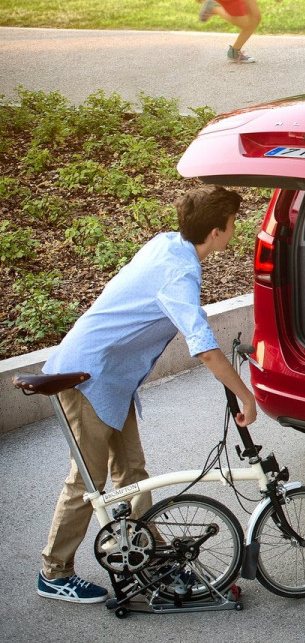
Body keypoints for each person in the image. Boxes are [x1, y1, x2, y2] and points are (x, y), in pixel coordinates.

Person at [36, 185, 257, 604]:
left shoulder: (168, 245)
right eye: (232, 225)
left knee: (133, 474)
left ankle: (147, 558)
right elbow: (205, 348)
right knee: (88, 482)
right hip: (88, 378)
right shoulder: (180, 272)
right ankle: (54, 572)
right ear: (216, 231)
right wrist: (245, 396)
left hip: (113, 379)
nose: (234, 230)